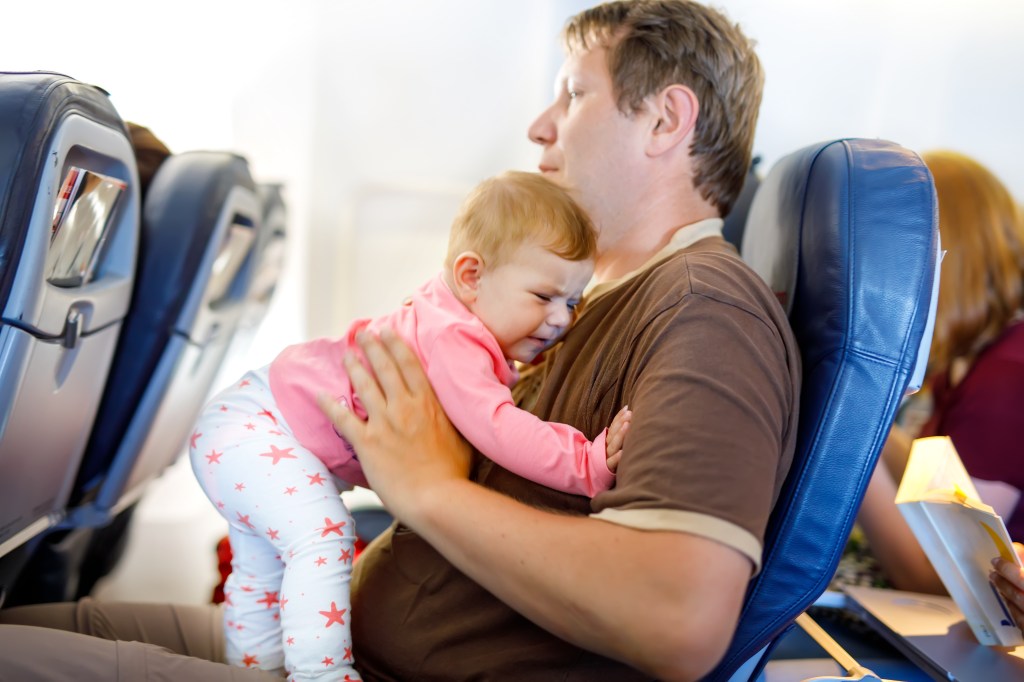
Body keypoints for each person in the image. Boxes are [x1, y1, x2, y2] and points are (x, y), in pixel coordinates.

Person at [0, 2, 801, 680]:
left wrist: (425, 490)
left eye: (574, 94)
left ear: (666, 119)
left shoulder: (704, 311)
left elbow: (678, 617)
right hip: (326, 635)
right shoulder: (587, 304)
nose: (541, 126)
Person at [190, 170, 631, 680]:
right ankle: (323, 674)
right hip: (261, 427)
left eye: (573, 302)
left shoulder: (447, 318)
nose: (561, 320)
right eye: (543, 297)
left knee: (262, 567)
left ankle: (254, 666)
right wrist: (585, 462)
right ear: (471, 276)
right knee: (326, 535)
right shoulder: (454, 339)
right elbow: (498, 427)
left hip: (243, 425)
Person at [850, 150, 1024, 594]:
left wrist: (844, 443)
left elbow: (937, 575)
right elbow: (938, 480)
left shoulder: (1007, 380)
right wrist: (861, 417)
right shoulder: (979, 358)